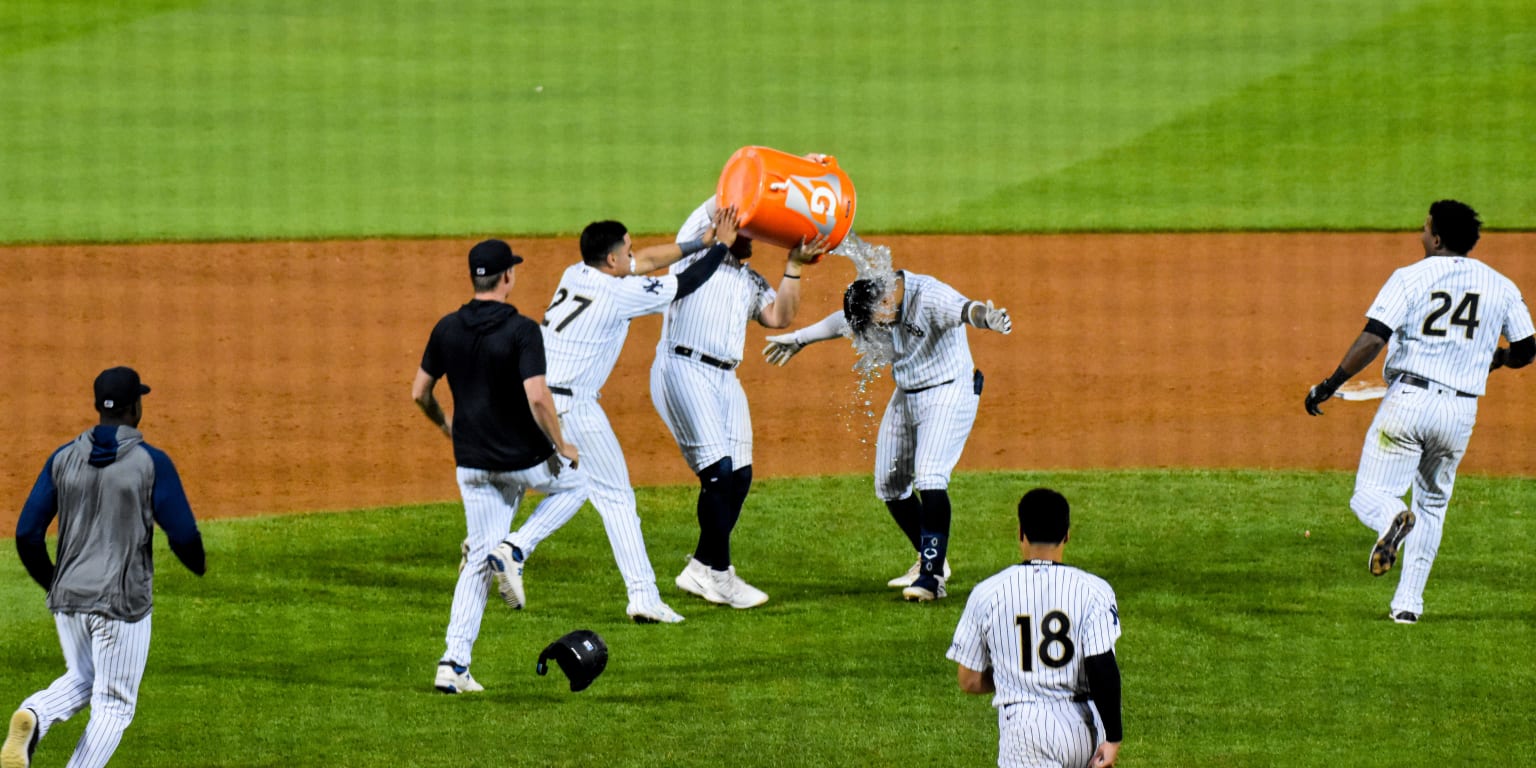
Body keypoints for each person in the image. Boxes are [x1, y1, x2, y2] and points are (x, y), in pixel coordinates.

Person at [1304, 199, 1534, 624]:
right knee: (1432, 505)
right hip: (1459, 415)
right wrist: (1496, 360)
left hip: (1409, 405)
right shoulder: (1501, 284)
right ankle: (1408, 606)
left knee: (1369, 494)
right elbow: (1526, 349)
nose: (1420, 234)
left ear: (1439, 238)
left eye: (1426, 228)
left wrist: (1330, 385)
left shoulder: (1409, 277)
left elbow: (1373, 339)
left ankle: (1392, 517)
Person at [761, 267, 1012, 601]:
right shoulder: (876, 300)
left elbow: (968, 310)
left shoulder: (930, 295)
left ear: (886, 300)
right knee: (889, 484)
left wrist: (988, 318)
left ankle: (932, 578)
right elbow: (841, 321)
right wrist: (799, 339)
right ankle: (929, 555)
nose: (873, 330)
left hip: (949, 391)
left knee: (930, 475)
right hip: (907, 393)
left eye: (874, 321)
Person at [540, 207, 740, 624]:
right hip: (574, 407)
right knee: (616, 499)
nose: (634, 255)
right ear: (611, 260)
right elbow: (686, 283)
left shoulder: (574, 272)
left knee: (540, 485)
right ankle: (643, 597)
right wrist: (721, 246)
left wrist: (698, 243)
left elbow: (645, 261)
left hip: (534, 399)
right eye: (627, 250)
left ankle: (501, 549)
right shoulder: (620, 293)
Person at [4, 366, 206, 768]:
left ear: (99, 407)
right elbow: (183, 534)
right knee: (114, 706)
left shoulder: (63, 458)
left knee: (86, 678)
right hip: (121, 604)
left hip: (69, 600)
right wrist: (197, 563)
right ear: (136, 408)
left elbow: (27, 533)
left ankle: (35, 713)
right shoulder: (151, 462)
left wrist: (54, 583)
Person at [412, 239, 590, 693]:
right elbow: (537, 398)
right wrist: (562, 444)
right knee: (578, 485)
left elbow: (420, 393)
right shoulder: (523, 330)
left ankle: (453, 665)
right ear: (507, 277)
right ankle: (516, 548)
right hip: (520, 460)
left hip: (471, 464)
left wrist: (448, 428)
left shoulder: (446, 328)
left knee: (476, 562)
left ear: (476, 278)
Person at [651, 195, 830, 609]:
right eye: (748, 231)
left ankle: (700, 566)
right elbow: (729, 195)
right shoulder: (694, 252)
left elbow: (779, 317)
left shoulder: (749, 280)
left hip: (724, 378)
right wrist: (792, 180)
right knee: (718, 471)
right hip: (683, 367)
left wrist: (794, 265)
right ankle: (721, 576)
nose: (754, 239)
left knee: (741, 474)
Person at [947, 488, 1123, 768]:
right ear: (1067, 534)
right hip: (1088, 727)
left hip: (1026, 731)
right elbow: (1102, 667)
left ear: (1021, 533)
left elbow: (969, 680)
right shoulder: (1095, 591)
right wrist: (1113, 737)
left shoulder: (988, 593)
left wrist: (1012, 673)